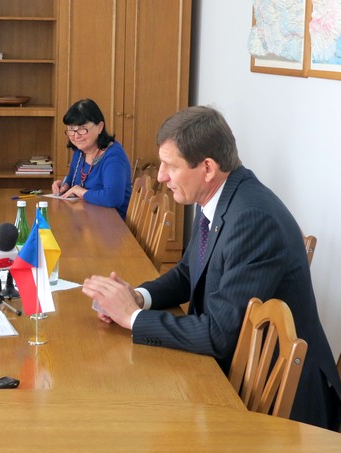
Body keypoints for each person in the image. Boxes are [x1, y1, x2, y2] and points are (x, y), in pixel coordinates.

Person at [82, 106, 341, 430]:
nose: (161, 176)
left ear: (206, 167)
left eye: (171, 166)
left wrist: (131, 318)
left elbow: (218, 334)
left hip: (283, 408)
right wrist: (139, 297)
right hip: (237, 369)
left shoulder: (252, 219)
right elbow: (188, 272)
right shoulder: (218, 196)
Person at [52, 99, 132, 219]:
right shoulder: (80, 152)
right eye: (71, 129)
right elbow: (73, 178)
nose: (76, 135)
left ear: (100, 127)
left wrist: (81, 192)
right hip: (86, 217)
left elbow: (113, 198)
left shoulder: (114, 156)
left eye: (82, 128)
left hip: (112, 223)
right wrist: (65, 185)